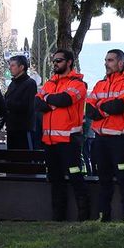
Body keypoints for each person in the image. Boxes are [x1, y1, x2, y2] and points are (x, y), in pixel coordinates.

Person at [85, 49, 124, 221]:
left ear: (120, 63)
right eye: (105, 60)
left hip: (119, 140)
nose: (106, 63)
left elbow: (119, 106)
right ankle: (103, 216)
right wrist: (105, 108)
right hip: (100, 139)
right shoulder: (100, 84)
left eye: (110, 60)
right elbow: (89, 110)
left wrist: (100, 107)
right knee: (104, 179)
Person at [36, 49, 89, 221]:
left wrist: (48, 99)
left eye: (58, 60)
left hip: (69, 141)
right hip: (50, 141)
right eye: (54, 61)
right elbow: (37, 102)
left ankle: (83, 216)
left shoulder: (78, 83)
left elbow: (65, 100)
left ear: (69, 62)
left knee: (75, 177)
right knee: (55, 180)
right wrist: (52, 100)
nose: (55, 63)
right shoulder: (50, 82)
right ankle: (58, 217)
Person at [3, 55, 37, 149]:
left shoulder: (30, 83)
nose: (10, 68)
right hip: (11, 129)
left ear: (21, 67)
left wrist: (7, 104)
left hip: (24, 129)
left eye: (13, 65)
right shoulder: (12, 84)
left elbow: (27, 107)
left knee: (25, 160)